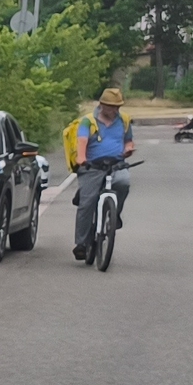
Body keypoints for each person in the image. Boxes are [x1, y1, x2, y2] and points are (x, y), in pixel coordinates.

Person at [63, 88, 134, 260]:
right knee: (87, 203)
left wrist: (128, 149)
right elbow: (82, 141)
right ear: (102, 105)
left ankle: (114, 216)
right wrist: (81, 158)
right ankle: (81, 243)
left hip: (116, 164)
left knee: (124, 182)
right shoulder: (88, 121)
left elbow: (128, 141)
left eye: (118, 107)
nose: (115, 110)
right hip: (92, 166)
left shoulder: (124, 120)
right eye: (112, 107)